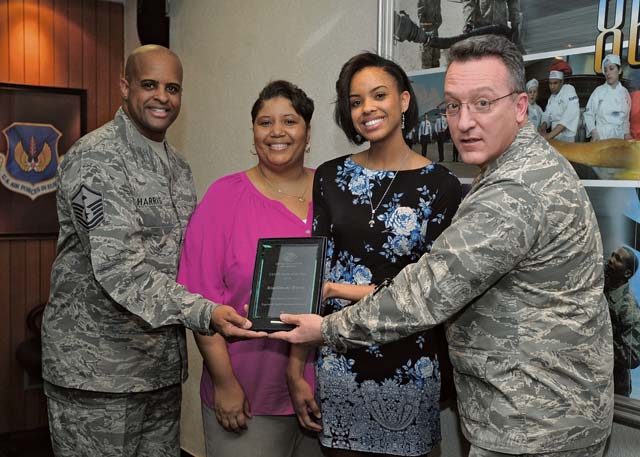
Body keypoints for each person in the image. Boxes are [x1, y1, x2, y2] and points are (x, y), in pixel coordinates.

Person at [272, 35, 614, 457]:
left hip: (533, 425)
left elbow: (425, 294)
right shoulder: (511, 167)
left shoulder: (515, 190)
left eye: (483, 103)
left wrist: (325, 329)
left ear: (521, 106)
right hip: (529, 412)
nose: (464, 121)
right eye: (454, 105)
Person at [41, 45, 262, 457]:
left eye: (172, 87)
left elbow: (190, 259)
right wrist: (205, 311)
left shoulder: (177, 167)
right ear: (125, 87)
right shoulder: (97, 159)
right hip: (98, 375)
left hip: (158, 371)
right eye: (149, 84)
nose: (162, 96)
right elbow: (120, 271)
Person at [289, 51, 462, 457]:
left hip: (408, 368)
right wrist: (295, 369)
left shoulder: (442, 186)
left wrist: (337, 289)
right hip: (339, 365)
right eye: (355, 101)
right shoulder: (330, 176)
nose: (367, 108)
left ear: (403, 100)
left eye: (378, 95)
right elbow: (317, 271)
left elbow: (432, 294)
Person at [176, 80, 322, 457]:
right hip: (247, 392)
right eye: (264, 122)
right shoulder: (224, 198)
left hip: (323, 394)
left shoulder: (332, 193)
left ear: (308, 132)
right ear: (253, 132)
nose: (277, 132)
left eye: (289, 121)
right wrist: (225, 384)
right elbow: (198, 298)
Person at [604, 246, 640, 397]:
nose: (611, 260)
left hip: (615, 387)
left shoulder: (628, 307)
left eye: (618, 259)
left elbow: (634, 356)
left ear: (627, 273)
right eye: (613, 255)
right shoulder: (606, 280)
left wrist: (599, 342)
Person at [540, 69, 581, 142]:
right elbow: (547, 115)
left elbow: (569, 116)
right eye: (550, 83)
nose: (552, 87)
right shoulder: (551, 98)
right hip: (554, 137)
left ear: (562, 82)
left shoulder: (569, 90)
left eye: (555, 83)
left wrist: (549, 136)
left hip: (566, 138)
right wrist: (543, 126)